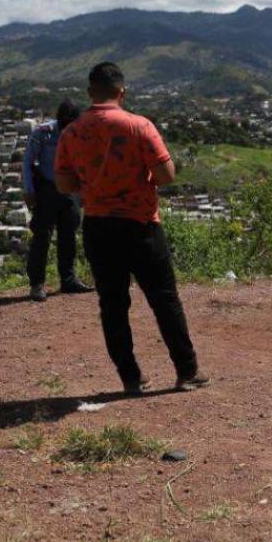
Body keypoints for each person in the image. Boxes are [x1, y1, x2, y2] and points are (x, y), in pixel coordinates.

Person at [55, 62, 209, 394]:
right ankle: (186, 371)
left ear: (89, 92)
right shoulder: (139, 126)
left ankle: (130, 378)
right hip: (140, 225)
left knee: (112, 304)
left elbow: (65, 184)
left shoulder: (71, 132)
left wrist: (94, 186)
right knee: (164, 299)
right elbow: (166, 175)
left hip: (97, 226)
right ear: (122, 91)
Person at [23, 101, 92, 301]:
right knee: (42, 237)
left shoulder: (81, 133)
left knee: (69, 235)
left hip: (70, 190)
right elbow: (28, 161)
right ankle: (37, 284)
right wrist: (29, 190)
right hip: (47, 189)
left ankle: (68, 280)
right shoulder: (43, 132)